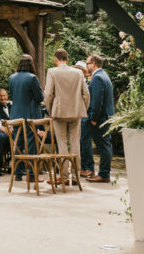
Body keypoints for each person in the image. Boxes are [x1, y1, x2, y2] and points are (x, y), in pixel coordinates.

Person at [45, 48, 90, 185]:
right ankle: (76, 176)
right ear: (68, 59)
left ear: (56, 59)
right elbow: (86, 95)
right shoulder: (78, 73)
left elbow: (48, 95)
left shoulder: (52, 72)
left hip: (58, 113)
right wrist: (82, 109)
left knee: (62, 144)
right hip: (76, 113)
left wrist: (50, 110)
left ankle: (64, 177)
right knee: (75, 143)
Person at [83, 53, 115, 182]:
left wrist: (93, 118)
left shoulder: (97, 78)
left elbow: (96, 101)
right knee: (105, 145)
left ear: (94, 64)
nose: (87, 66)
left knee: (103, 146)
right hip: (106, 116)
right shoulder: (104, 75)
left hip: (100, 118)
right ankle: (103, 173)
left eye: (88, 64)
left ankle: (104, 174)